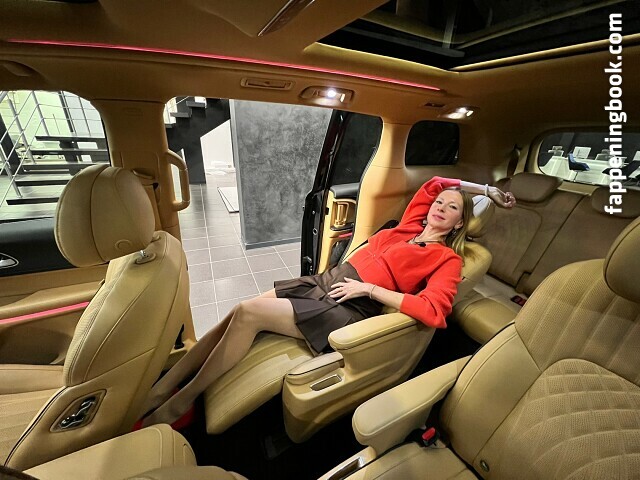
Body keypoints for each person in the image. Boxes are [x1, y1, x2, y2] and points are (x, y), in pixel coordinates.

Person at [140, 176, 516, 427]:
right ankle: (165, 385)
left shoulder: (446, 259)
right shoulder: (408, 228)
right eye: (440, 202)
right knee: (236, 311)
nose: (440, 205)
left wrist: (370, 291)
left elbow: (434, 311)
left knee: (249, 313)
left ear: (459, 223)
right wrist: (484, 188)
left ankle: (180, 402)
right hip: (325, 281)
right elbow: (435, 183)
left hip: (349, 305)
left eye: (452, 207)